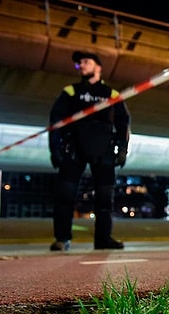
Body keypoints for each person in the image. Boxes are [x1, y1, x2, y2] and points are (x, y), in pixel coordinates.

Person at [48, 50, 131, 251]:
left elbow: (123, 123)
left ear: (98, 67)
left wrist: (122, 150)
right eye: (79, 63)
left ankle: (103, 239)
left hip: (103, 148)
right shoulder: (70, 91)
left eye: (86, 62)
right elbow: (56, 121)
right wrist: (55, 149)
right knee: (65, 196)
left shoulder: (111, 94)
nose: (81, 65)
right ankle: (62, 239)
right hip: (74, 147)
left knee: (104, 199)